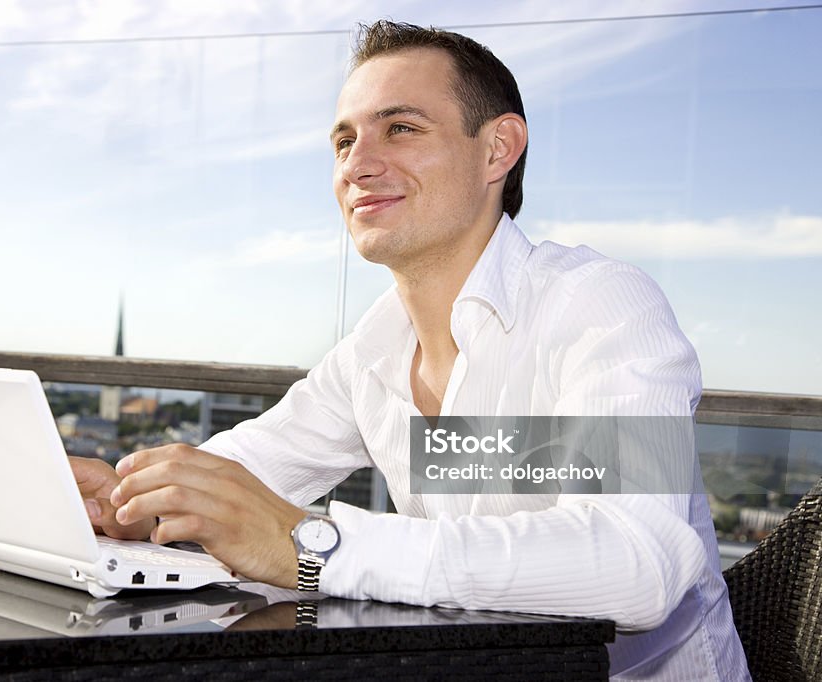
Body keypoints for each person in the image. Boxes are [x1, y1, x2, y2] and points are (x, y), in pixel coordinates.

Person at [71, 20, 750, 679]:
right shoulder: (373, 349)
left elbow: (638, 564)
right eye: (344, 141)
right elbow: (242, 475)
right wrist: (130, 496)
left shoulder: (602, 304)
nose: (358, 165)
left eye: (400, 128)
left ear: (497, 149)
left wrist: (313, 547)